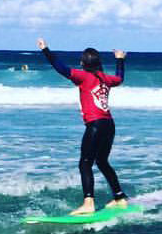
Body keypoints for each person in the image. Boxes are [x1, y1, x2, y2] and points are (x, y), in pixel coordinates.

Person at [37, 37, 130, 215]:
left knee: (85, 163)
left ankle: (88, 203)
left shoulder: (83, 76)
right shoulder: (105, 78)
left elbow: (60, 68)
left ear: (83, 63)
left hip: (95, 124)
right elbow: (120, 78)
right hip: (109, 124)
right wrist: (119, 59)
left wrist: (45, 50)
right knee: (102, 161)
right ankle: (119, 197)